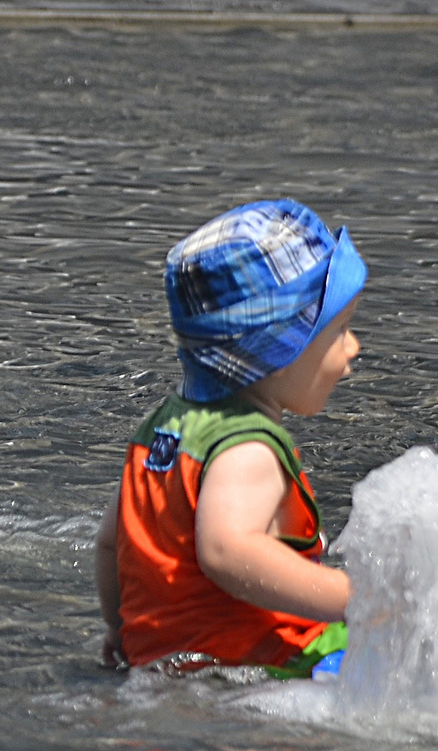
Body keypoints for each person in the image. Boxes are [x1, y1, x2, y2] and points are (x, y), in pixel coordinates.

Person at [95, 199, 365, 677]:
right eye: (339, 329)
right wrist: (357, 601)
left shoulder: (161, 432)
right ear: (279, 347)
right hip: (270, 669)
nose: (353, 347)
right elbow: (227, 551)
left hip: (170, 670)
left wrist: (124, 633)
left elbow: (111, 543)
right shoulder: (247, 450)